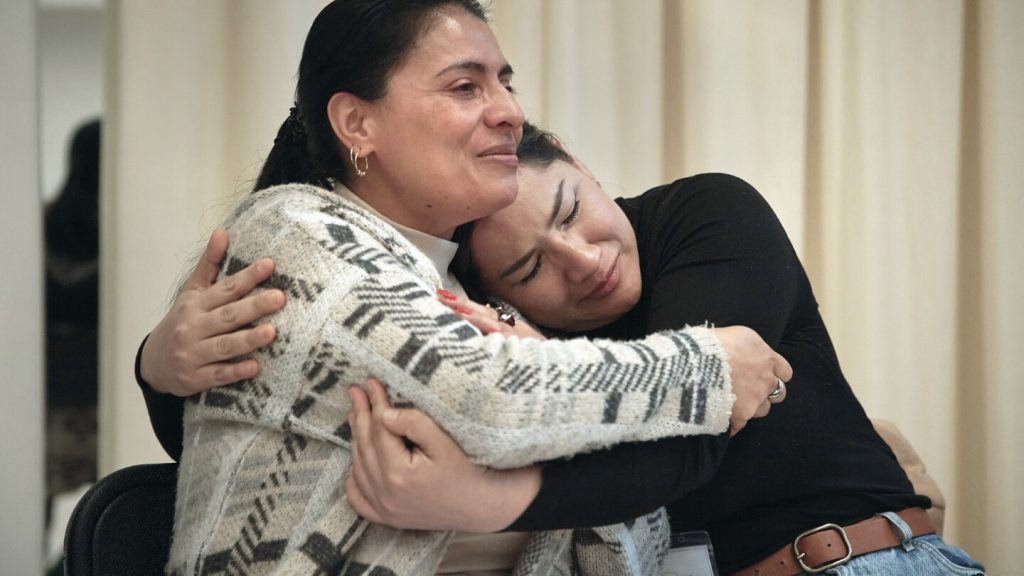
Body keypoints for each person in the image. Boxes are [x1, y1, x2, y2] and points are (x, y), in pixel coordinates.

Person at [150, 2, 790, 575]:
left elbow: (626, 524)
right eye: (465, 86)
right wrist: (712, 364)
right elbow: (487, 394)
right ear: (357, 122)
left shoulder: (460, 286)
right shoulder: (293, 229)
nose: (510, 111)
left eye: (505, 82)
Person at [339, 125, 986, 575]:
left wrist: (474, 497)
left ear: (574, 159)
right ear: (499, 298)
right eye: (531, 269)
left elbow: (684, 433)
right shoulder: (519, 354)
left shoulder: (705, 215)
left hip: (862, 560)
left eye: (570, 211)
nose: (584, 260)